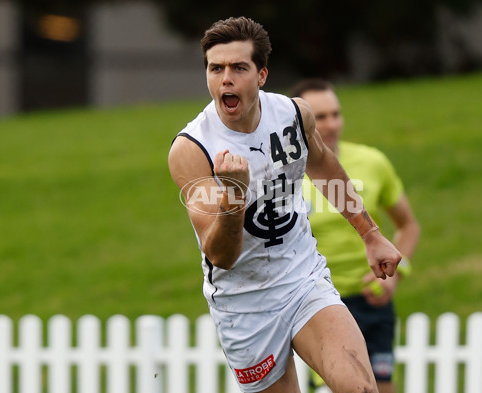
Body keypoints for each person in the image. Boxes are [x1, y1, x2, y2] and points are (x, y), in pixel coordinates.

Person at [168, 17, 402, 393]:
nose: (226, 79)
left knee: (361, 388)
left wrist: (371, 234)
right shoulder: (192, 150)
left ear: (261, 75)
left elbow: (324, 167)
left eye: (238, 68)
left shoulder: (294, 115)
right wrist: (233, 198)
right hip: (244, 304)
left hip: (302, 279)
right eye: (216, 68)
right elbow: (221, 257)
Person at [290, 79, 421, 393]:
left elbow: (408, 226)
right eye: (320, 117)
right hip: (317, 304)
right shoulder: (284, 172)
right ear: (299, 122)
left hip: (370, 302)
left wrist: (394, 276)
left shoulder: (372, 162)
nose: (332, 124)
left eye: (336, 114)